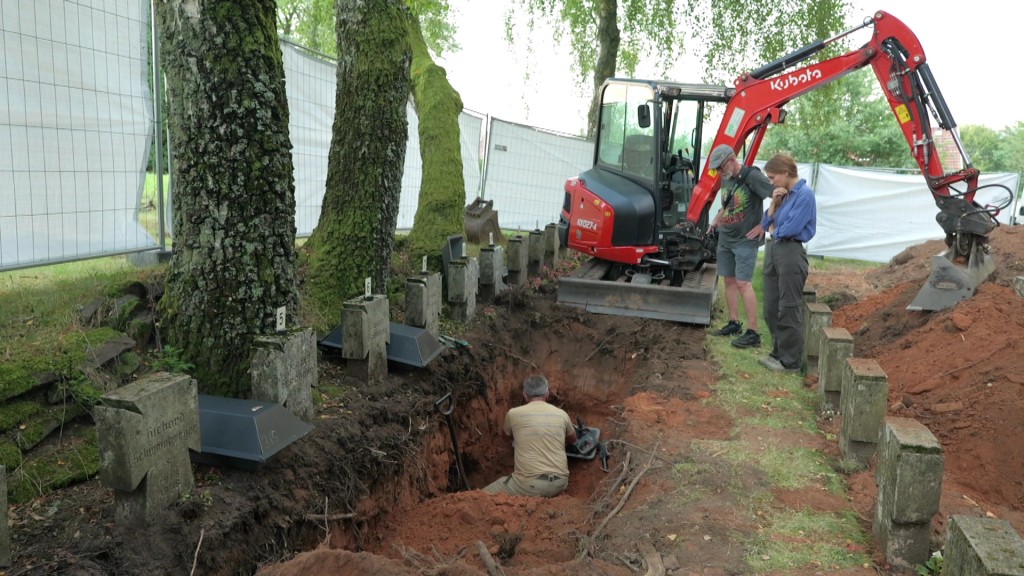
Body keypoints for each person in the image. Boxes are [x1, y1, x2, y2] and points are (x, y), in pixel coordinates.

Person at [706, 144, 773, 349]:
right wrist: (716, 220)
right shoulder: (725, 178)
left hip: (745, 240)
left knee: (744, 283)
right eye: (716, 169)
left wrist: (764, 224)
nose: (719, 172)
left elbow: (778, 196)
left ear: (731, 160)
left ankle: (753, 333)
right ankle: (734, 322)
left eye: (720, 167)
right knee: (729, 280)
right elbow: (727, 204)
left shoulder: (752, 176)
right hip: (726, 238)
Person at [758, 153, 816, 373]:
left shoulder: (804, 195)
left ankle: (790, 362)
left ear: (785, 173)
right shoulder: (784, 195)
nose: (771, 182)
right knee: (772, 306)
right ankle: (778, 353)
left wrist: (775, 229)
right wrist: (774, 204)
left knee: (789, 307)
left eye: (773, 177)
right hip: (777, 249)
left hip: (791, 251)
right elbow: (766, 222)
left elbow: (790, 229)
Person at [482, 374, 577, 498]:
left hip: (529, 486)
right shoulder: (562, 414)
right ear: (547, 394)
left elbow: (506, 437)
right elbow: (573, 439)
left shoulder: (513, 414)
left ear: (525, 395)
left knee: (480, 496)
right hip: (560, 483)